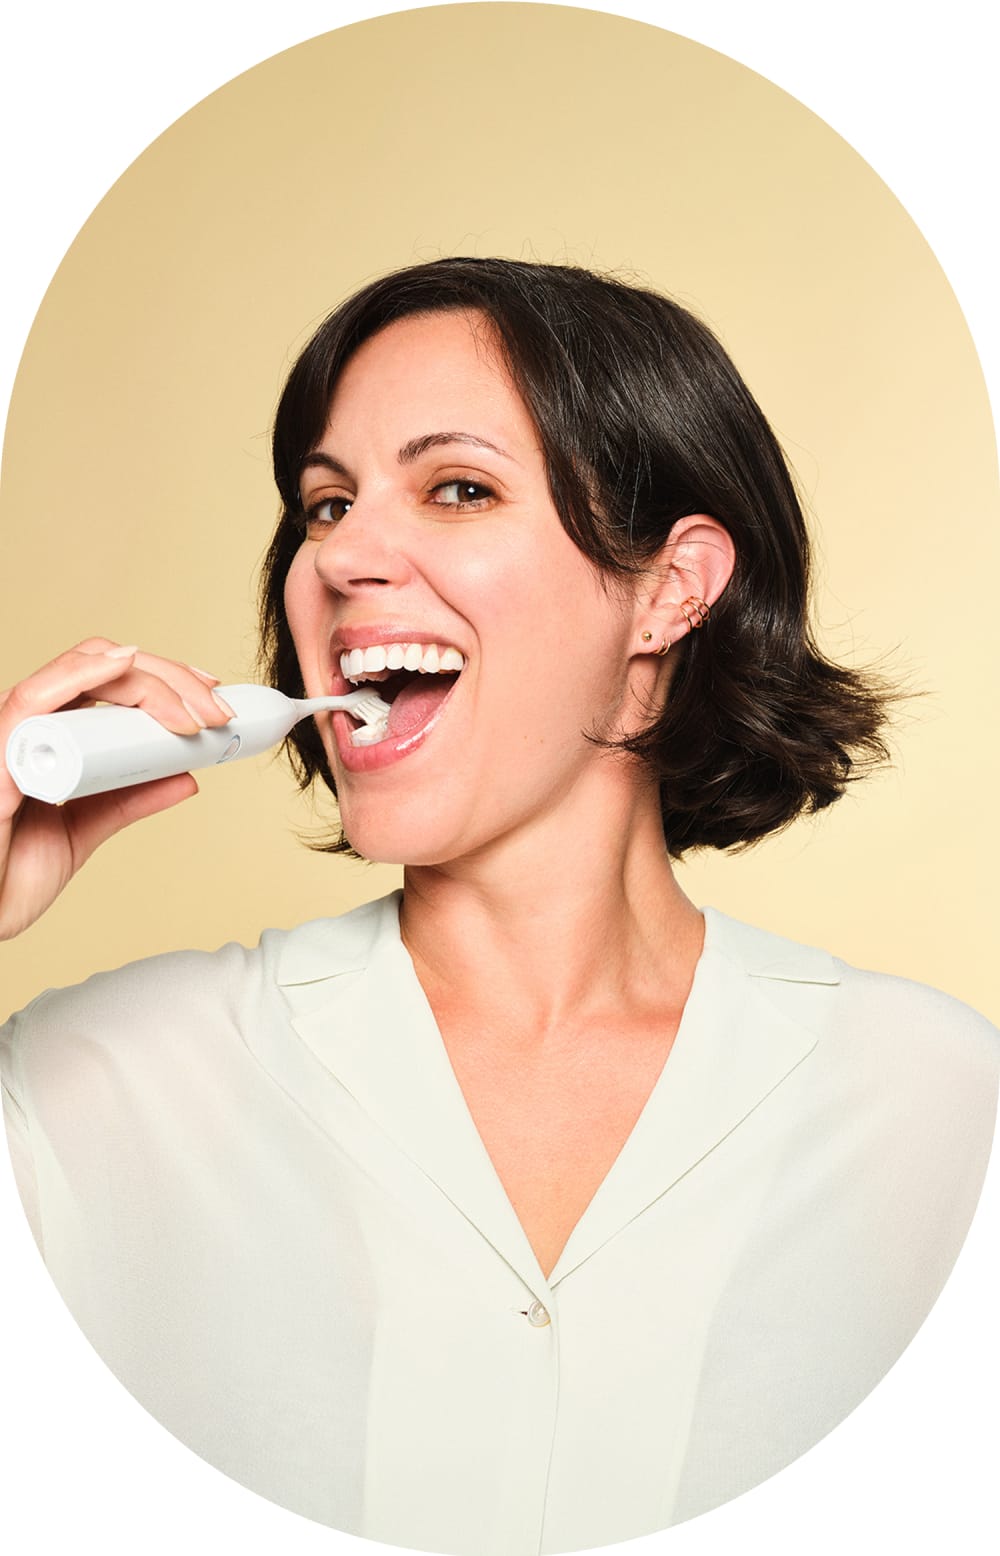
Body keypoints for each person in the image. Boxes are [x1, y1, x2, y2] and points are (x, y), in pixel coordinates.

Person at [1, 257, 997, 1555]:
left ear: (671, 588)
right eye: (325, 505)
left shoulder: (941, 1106)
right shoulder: (93, 1086)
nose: (340, 554)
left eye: (458, 488)